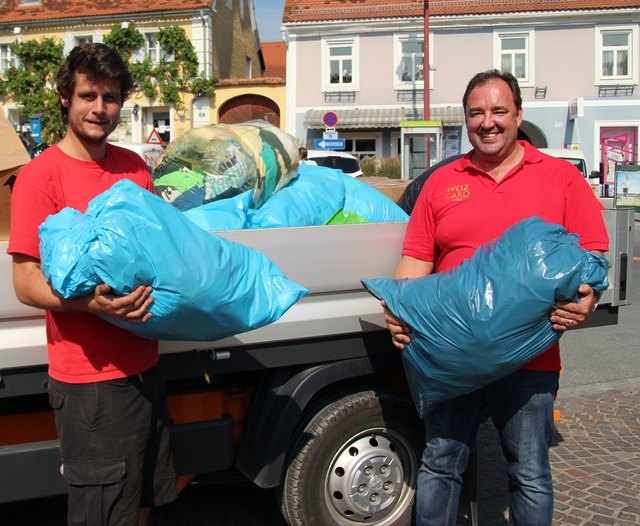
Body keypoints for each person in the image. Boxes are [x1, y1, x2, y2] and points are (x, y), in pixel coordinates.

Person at [383, 70, 608, 526]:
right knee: (440, 465)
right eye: (476, 113)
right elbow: (417, 257)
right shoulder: (443, 181)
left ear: (518, 115)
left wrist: (588, 300)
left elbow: (592, 256)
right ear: (466, 120)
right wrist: (396, 308)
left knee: (528, 473)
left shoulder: (561, 178)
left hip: (530, 365)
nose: (488, 122)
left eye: (498, 111)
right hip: (450, 359)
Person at [8, 43, 176, 525]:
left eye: (110, 96)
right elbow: (25, 281)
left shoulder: (135, 168)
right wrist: (92, 304)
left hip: (146, 365)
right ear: (66, 97)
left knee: (145, 504)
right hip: (90, 383)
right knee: (103, 515)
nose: (100, 108)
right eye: (88, 95)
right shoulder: (41, 178)